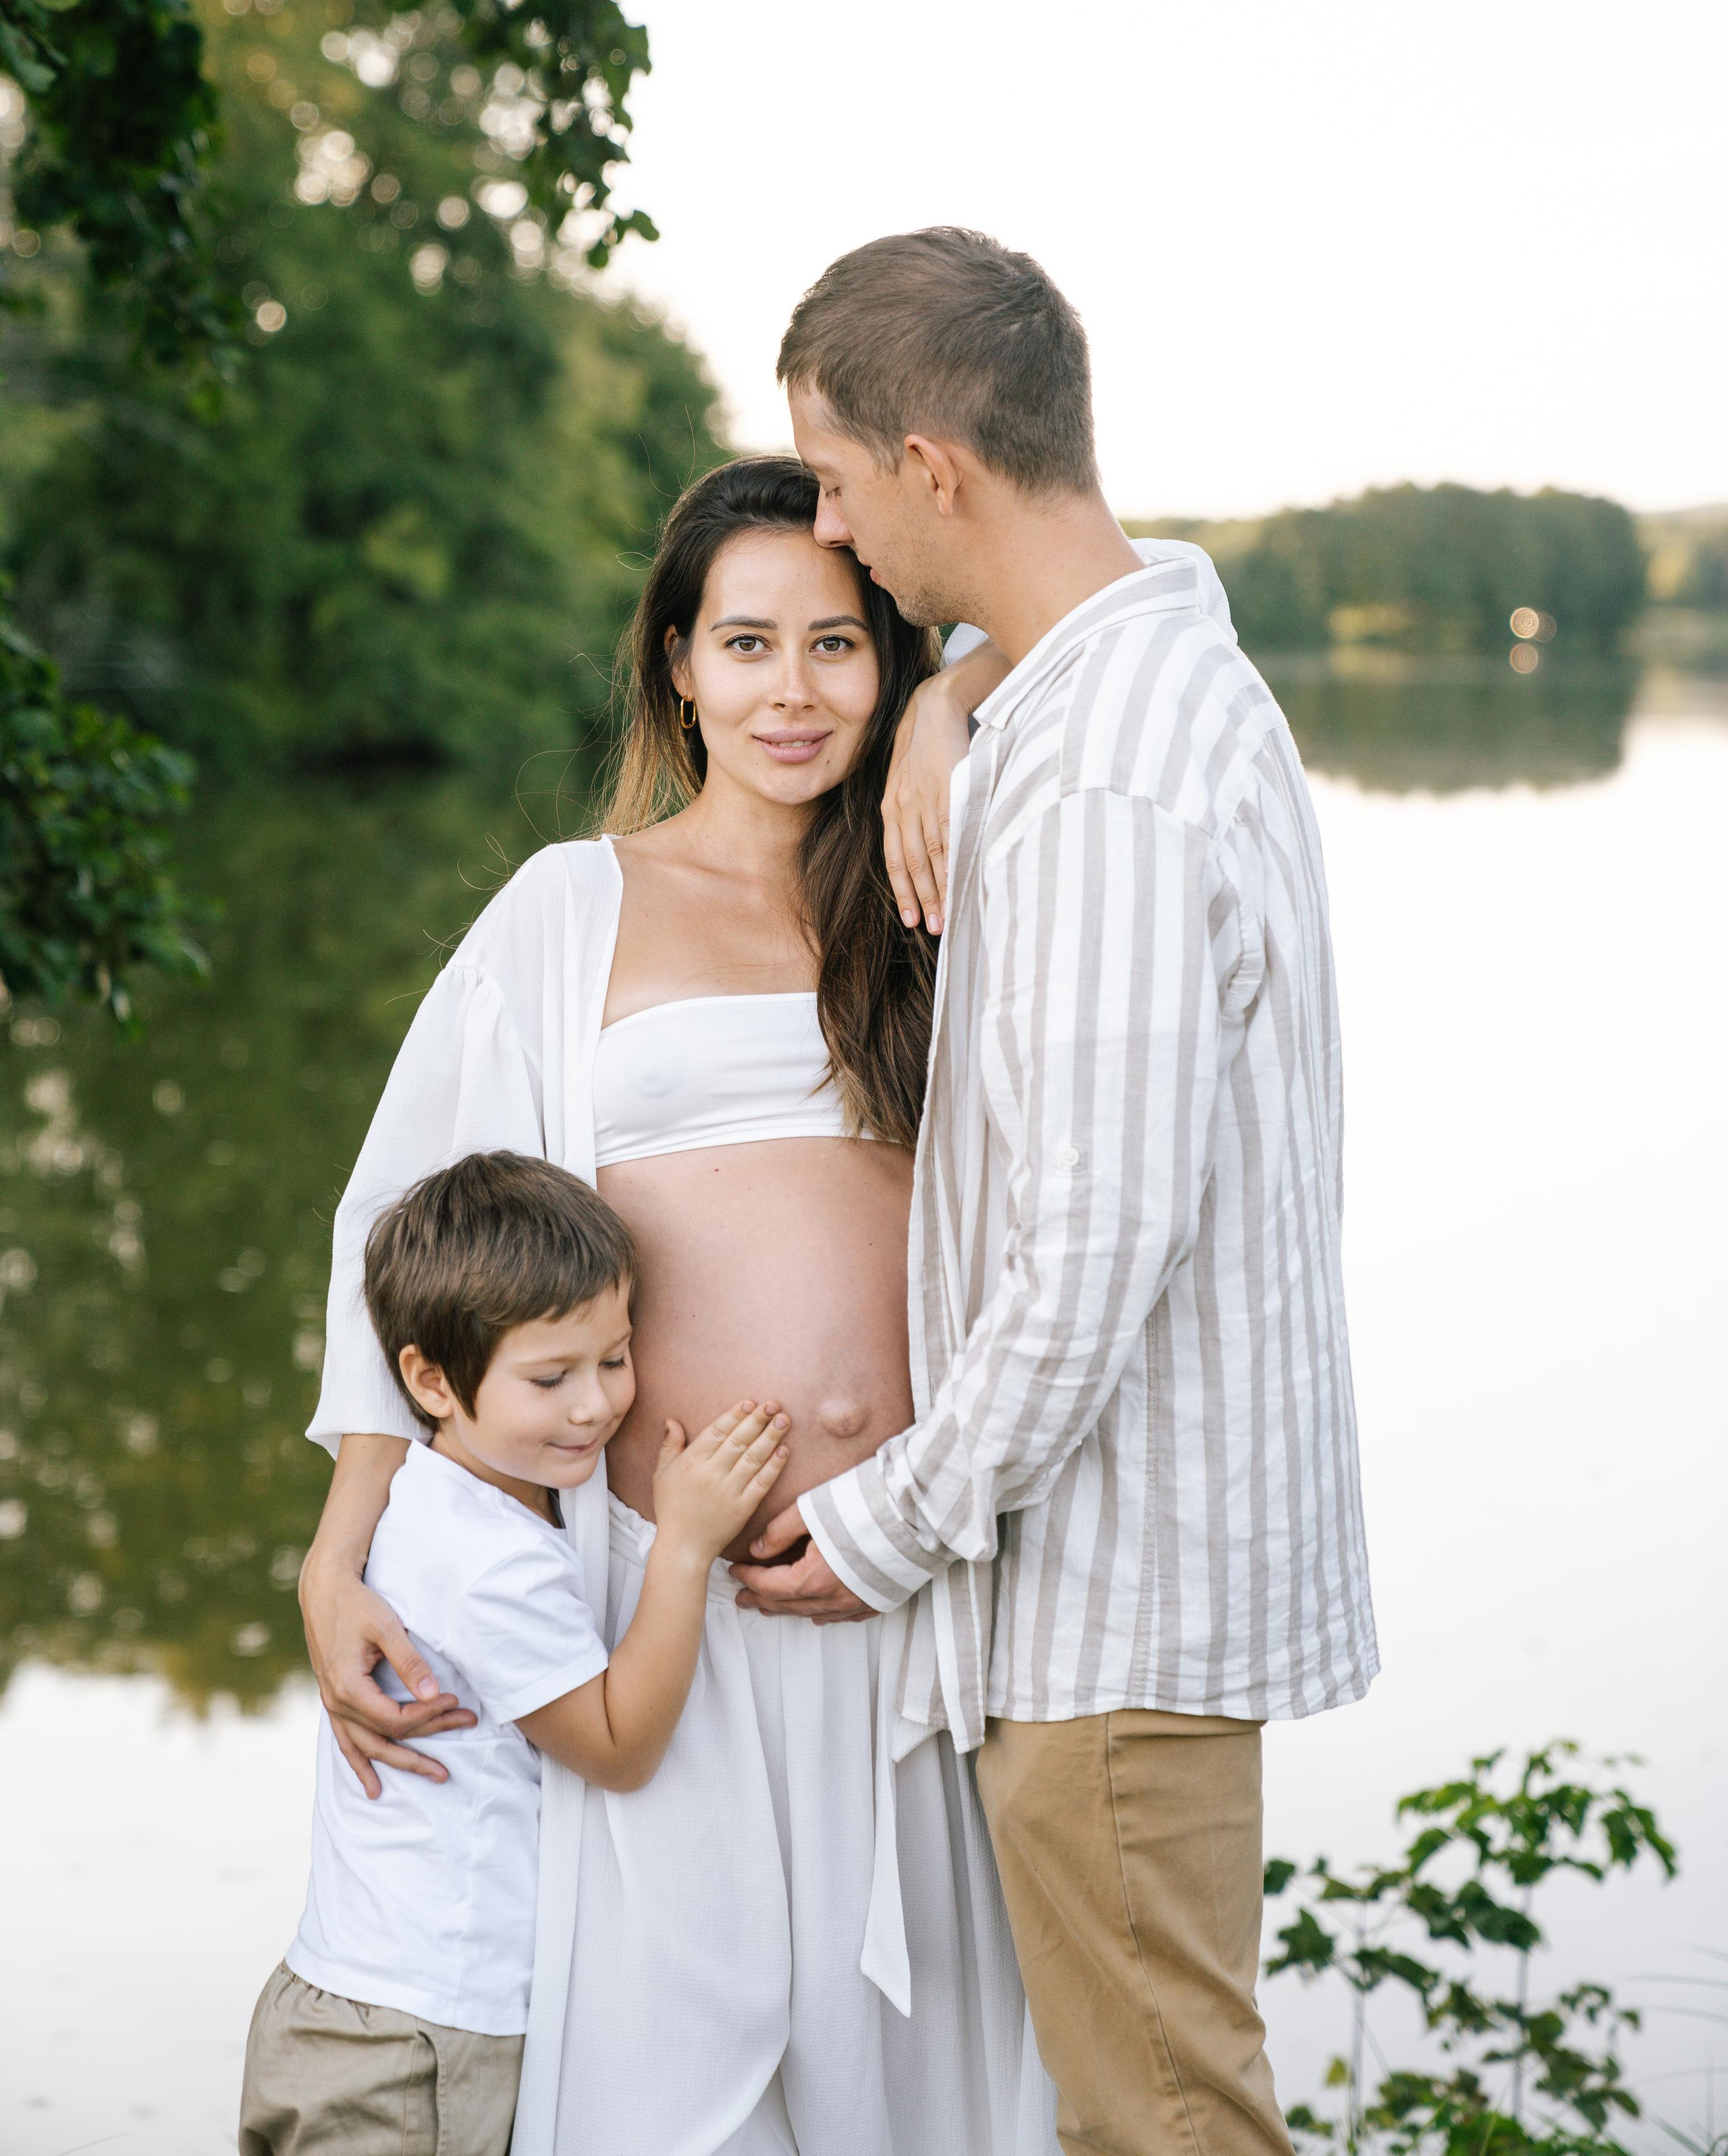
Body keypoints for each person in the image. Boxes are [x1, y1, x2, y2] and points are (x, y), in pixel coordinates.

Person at [296, 456, 1060, 2155]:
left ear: (891, 659)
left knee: (914, 2074)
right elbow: (397, 1225)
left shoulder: (946, 892)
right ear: (676, 664)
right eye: (746, 644)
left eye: (841, 648)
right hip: (660, 1598)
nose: (791, 692)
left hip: (899, 1577)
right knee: (673, 2090)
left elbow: (1145, 580)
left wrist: (953, 712)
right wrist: (338, 1550)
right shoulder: (574, 906)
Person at [735, 227, 1379, 2156]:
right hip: (1141, 1597)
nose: (835, 536)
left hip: (1115, 1611)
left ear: (933, 465)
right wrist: (947, 689)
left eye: (840, 484)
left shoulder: (1099, 776)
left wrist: (888, 1526)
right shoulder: (1148, 679)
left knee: (1169, 2129)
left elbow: (1095, 1242)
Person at [241, 1150, 790, 2155]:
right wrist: (685, 1543)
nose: (594, 1406)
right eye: (551, 1377)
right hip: (422, 2043)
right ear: (430, 1379)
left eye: (614, 1359)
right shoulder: (489, 1559)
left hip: (346, 2000)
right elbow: (617, 1747)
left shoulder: (432, 1496)